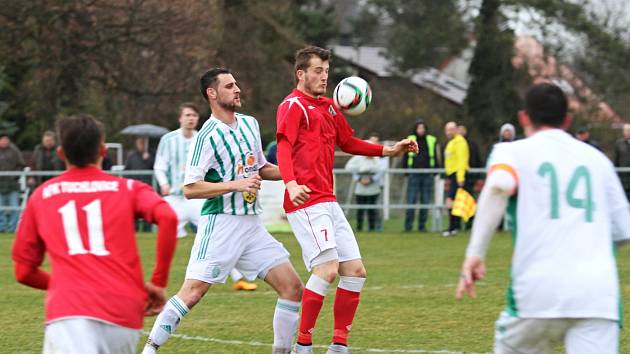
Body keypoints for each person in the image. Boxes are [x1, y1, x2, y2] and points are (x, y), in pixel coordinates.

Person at [456, 83, 630, 353]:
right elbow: (623, 230)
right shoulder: (599, 161)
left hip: (537, 291)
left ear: (524, 117)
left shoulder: (511, 152)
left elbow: (499, 185)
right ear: (567, 119)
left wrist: (475, 253)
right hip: (598, 294)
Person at [142, 68, 304, 354]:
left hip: (252, 226)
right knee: (193, 292)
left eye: (237, 84)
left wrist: (295, 173)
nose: (237, 89)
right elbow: (190, 188)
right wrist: (236, 184)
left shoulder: (250, 124)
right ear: (212, 94)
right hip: (221, 224)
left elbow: (261, 168)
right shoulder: (207, 136)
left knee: (292, 288)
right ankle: (150, 348)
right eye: (229, 86)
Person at [275, 46, 417, 354]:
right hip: (306, 201)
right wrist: (290, 183)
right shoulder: (292, 106)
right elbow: (283, 147)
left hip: (328, 200)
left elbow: (349, 142)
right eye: (317, 71)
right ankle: (303, 344)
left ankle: (338, 345)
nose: (324, 77)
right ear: (301, 73)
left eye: (326, 72)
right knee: (326, 270)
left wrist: (390, 150)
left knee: (355, 271)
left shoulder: (328, 108)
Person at [12, 114, 178, 354]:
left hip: (70, 312)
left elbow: (23, 272)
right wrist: (158, 282)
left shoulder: (42, 195)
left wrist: (63, 285)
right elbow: (169, 217)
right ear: (102, 151)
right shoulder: (129, 188)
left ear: (61, 153)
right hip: (123, 311)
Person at [154, 102, 257, 290]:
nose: (191, 118)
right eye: (187, 115)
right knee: (166, 234)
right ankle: (158, 280)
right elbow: (159, 165)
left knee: (216, 234)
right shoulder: (168, 140)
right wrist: (164, 183)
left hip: (196, 198)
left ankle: (237, 278)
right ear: (180, 118)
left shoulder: (203, 136)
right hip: (175, 198)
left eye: (194, 115)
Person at [403, 120, 439, 232]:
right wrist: (405, 170)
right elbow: (404, 155)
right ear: (415, 129)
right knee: (411, 200)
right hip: (413, 174)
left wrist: (436, 170)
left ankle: (422, 226)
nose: (421, 130)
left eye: (423, 128)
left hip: (427, 175)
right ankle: (408, 227)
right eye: (419, 128)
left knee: (425, 201)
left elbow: (435, 156)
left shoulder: (432, 140)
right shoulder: (410, 139)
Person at [345, 134, 385, 232]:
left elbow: (381, 170)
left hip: (373, 188)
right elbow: (349, 167)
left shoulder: (376, 158)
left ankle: (372, 228)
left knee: (372, 209)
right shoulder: (358, 158)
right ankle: (359, 228)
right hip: (360, 188)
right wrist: (360, 178)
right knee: (360, 209)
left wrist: (371, 179)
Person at [443, 121, 469, 237]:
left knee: (450, 202)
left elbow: (462, 161)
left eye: (451, 129)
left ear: (456, 130)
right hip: (452, 175)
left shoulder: (460, 142)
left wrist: (460, 177)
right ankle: (454, 227)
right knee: (455, 202)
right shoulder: (452, 142)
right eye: (447, 130)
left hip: (457, 175)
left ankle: (452, 228)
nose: (448, 132)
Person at [0, 132, 25, 232]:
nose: (5, 141)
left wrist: (15, 176)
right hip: (0, 184)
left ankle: (13, 227)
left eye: (6, 139)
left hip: (13, 185)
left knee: (14, 207)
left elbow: (21, 164)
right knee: (0, 208)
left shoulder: (15, 151)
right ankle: (1, 228)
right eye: (2, 139)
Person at [613, 123, 630, 200]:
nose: (627, 132)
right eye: (625, 130)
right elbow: (616, 160)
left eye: (628, 130)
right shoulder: (619, 144)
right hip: (623, 179)